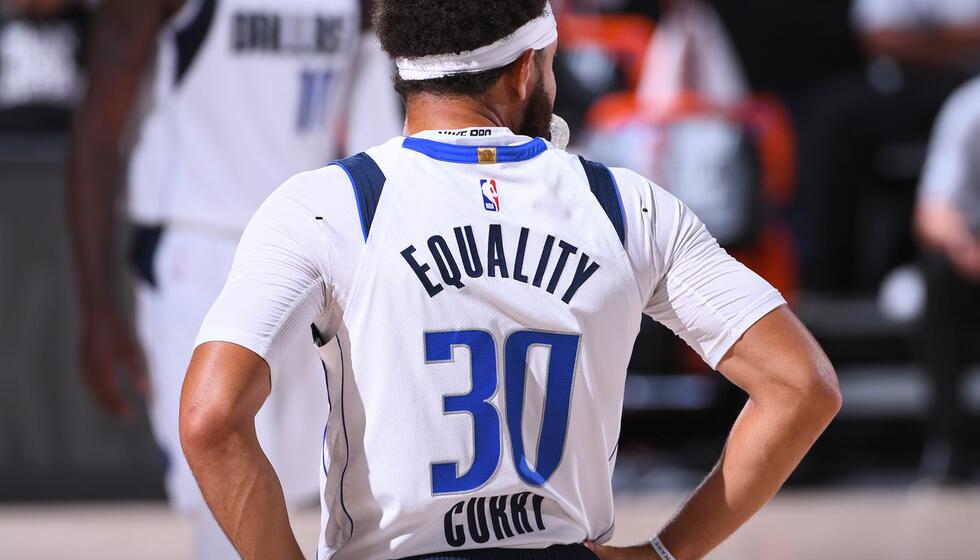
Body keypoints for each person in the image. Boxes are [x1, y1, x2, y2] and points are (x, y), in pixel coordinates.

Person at [179, 1, 842, 559]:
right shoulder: (625, 205)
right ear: (526, 71)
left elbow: (211, 419)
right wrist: (665, 553)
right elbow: (801, 387)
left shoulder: (329, 204)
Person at [67, 0, 401, 558]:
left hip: (314, 243)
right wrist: (97, 306)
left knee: (310, 492)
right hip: (200, 248)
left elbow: (372, 123)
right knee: (223, 481)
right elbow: (99, 130)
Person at [798, 0, 980, 294]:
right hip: (897, 87)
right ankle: (834, 281)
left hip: (963, 79)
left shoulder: (970, 103)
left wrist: (914, 42)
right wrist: (947, 43)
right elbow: (877, 37)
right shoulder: (963, 109)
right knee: (833, 116)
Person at [915, 76, 980, 483]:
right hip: (973, 252)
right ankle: (950, 442)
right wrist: (965, 248)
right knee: (938, 279)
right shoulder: (968, 106)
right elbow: (932, 212)